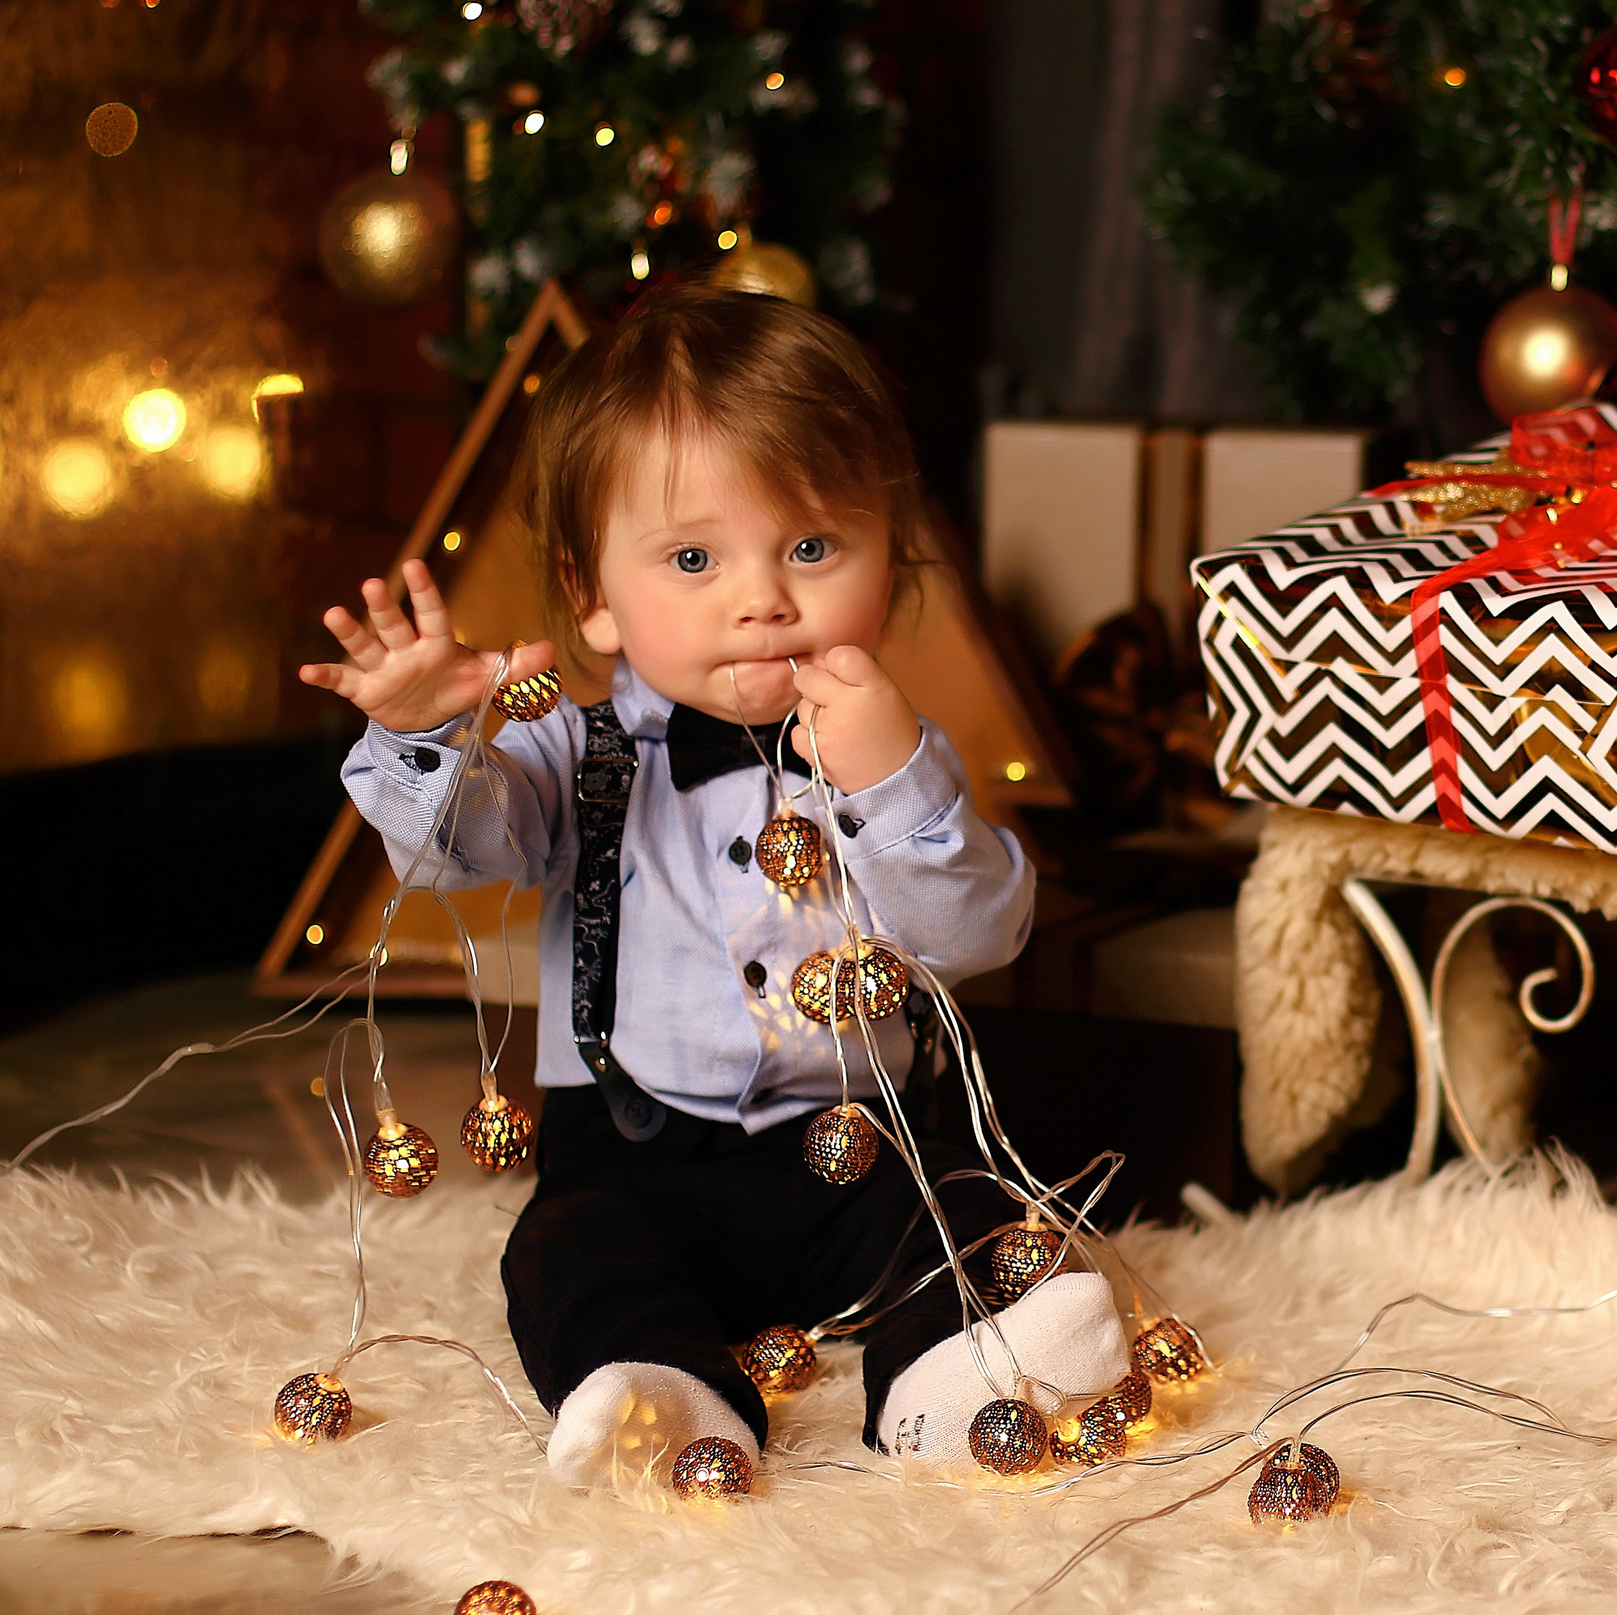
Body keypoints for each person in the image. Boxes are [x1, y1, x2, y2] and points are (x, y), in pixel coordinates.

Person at [300, 284, 1124, 1495]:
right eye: (692, 557)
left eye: (810, 547)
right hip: (641, 1158)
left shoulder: (895, 750)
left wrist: (890, 784)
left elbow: (978, 933)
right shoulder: (569, 750)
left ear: (886, 567)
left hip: (865, 1143)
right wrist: (433, 741)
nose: (761, 598)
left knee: (968, 1216)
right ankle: (667, 1396)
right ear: (593, 594)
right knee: (567, 1255)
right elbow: (453, 852)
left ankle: (955, 1387)